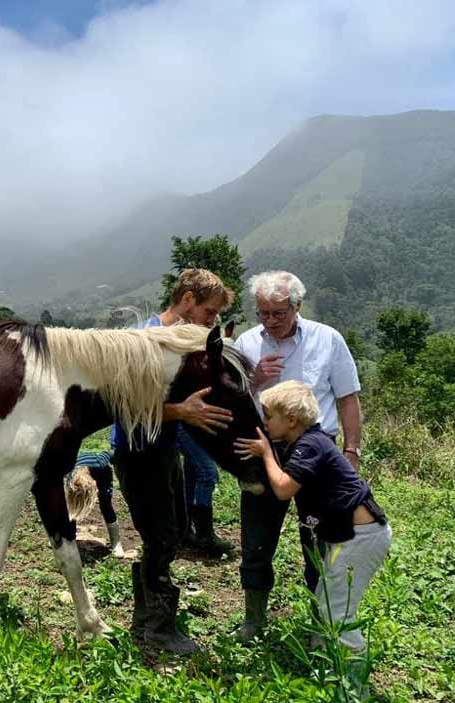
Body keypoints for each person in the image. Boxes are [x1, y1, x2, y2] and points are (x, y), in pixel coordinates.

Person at [231, 270, 363, 642]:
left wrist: (351, 450)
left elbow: (348, 398)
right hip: (263, 449)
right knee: (256, 538)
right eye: (263, 313)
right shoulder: (246, 342)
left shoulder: (327, 339)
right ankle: (254, 620)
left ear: (297, 306)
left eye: (279, 313)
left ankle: (321, 624)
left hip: (317, 450)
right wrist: (254, 379)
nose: (271, 321)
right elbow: (233, 399)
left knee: (320, 542)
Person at [112, 268, 235, 654]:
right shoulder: (142, 340)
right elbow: (125, 408)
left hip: (165, 448)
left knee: (175, 530)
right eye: (209, 312)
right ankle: (158, 630)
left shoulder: (184, 343)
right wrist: (181, 412)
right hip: (137, 452)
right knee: (161, 537)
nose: (211, 321)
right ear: (187, 300)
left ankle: (146, 617)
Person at [233, 380, 391, 658]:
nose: (264, 422)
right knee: (326, 597)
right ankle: (325, 658)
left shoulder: (310, 446)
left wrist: (266, 453)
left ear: (291, 420)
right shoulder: (308, 441)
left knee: (336, 611)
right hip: (350, 534)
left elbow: (283, 489)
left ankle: (353, 671)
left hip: (359, 537)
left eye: (268, 416)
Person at [64, 449, 125, 557]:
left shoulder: (100, 463)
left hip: (102, 475)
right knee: (70, 508)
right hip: (76, 471)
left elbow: (111, 453)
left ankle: (116, 543)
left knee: (106, 504)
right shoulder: (68, 477)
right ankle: (69, 539)